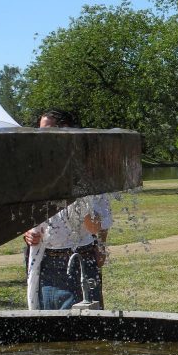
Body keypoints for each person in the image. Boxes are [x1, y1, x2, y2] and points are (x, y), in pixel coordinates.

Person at [24, 108, 113, 310]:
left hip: (80, 258)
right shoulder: (37, 169)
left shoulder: (89, 172)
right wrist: (28, 233)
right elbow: (27, 213)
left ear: (65, 131)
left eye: (45, 130)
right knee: (47, 327)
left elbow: (98, 226)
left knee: (86, 325)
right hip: (45, 260)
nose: (40, 136)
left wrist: (100, 246)